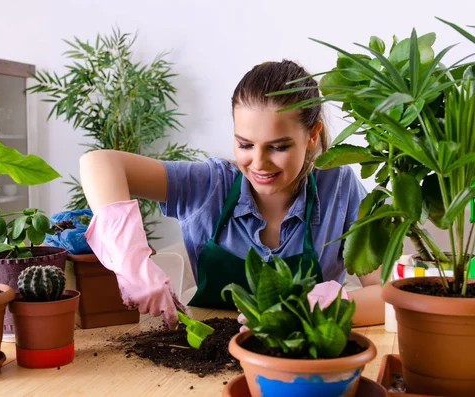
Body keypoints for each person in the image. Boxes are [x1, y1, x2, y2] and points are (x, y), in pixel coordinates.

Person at [81, 60, 385, 330]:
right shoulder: (210, 185)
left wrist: (312, 311)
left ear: (312, 135)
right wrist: (132, 265)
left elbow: (388, 294)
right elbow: (99, 163)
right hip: (210, 355)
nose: (259, 163)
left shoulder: (339, 189)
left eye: (278, 147)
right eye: (245, 144)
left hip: (303, 358)